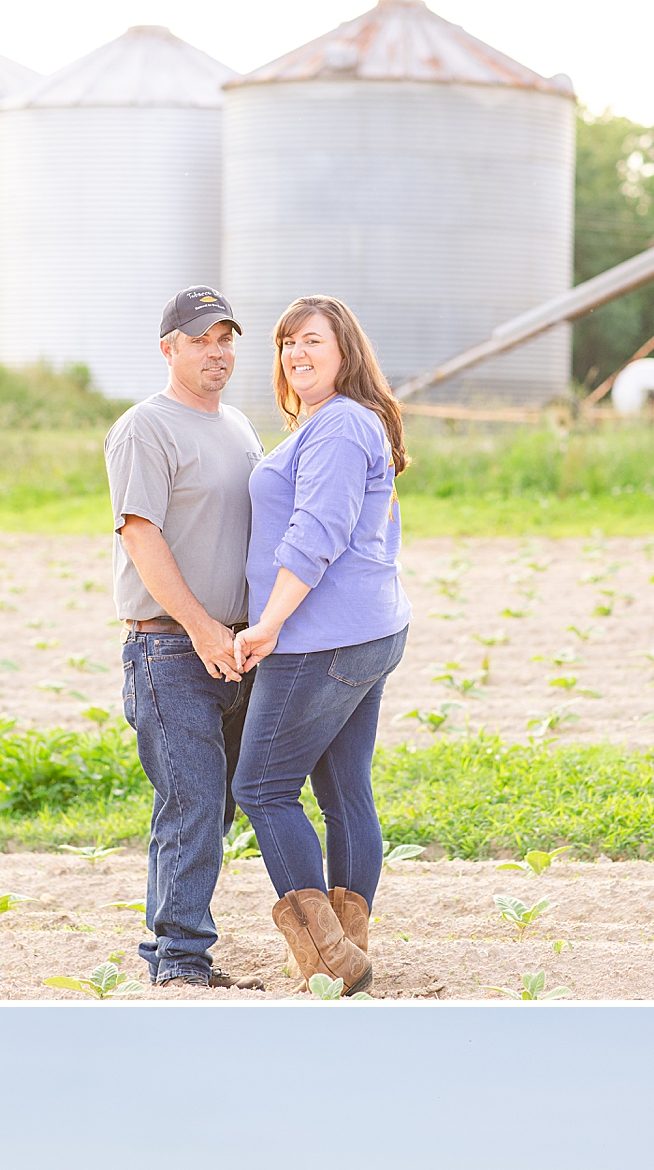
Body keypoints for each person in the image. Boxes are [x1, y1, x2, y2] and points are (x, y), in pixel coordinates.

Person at [231, 296, 413, 997]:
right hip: (368, 629)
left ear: (345, 352)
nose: (295, 354)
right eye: (285, 343)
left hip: (322, 638)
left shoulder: (337, 427)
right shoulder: (343, 421)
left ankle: (328, 957)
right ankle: (349, 944)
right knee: (343, 791)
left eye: (311, 341)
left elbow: (317, 535)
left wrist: (270, 622)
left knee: (262, 786)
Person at [104, 287, 265, 989]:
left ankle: (180, 950)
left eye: (226, 338)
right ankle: (178, 961)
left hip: (236, 649)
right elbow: (140, 534)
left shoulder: (239, 427)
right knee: (192, 800)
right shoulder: (146, 428)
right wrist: (201, 629)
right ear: (168, 348)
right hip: (170, 649)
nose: (217, 351)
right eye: (201, 339)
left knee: (220, 803)